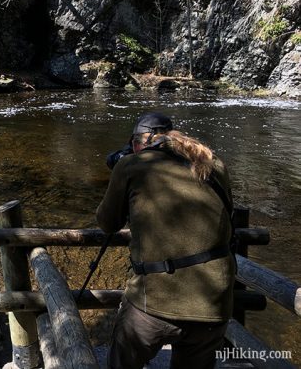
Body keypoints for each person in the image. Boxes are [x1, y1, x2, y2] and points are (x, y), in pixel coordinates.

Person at [96, 112, 235, 369]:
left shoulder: (131, 165)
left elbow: (107, 223)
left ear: (140, 141)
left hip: (155, 303)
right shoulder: (213, 163)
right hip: (214, 304)